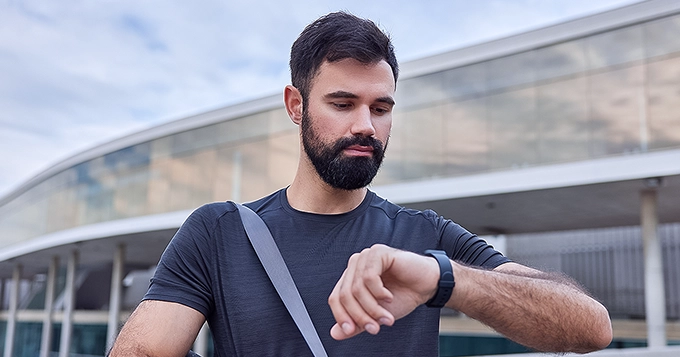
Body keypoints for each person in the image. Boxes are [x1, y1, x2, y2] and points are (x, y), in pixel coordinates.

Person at [109, 11, 612, 357]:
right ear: (295, 105)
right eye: (343, 104)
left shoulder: (425, 239)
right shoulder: (219, 233)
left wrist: (444, 281)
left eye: (382, 107)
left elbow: (591, 327)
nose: (366, 126)